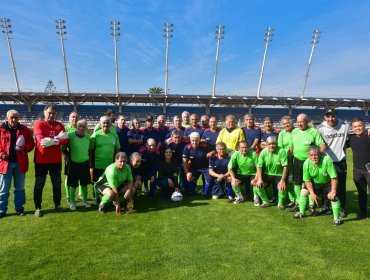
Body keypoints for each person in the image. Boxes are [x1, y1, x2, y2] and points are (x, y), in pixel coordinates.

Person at [33, 104, 69, 217]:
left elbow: (66, 140)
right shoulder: (39, 124)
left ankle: (57, 205)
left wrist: (54, 141)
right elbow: (41, 141)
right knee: (39, 184)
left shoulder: (59, 125)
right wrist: (58, 139)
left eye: (53, 113)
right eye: (49, 113)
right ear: (44, 113)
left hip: (55, 161)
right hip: (41, 161)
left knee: (57, 184)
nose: (52, 115)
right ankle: (38, 207)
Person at [293, 146, 342, 226]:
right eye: (311, 155)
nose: (314, 157)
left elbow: (334, 177)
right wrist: (312, 193)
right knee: (304, 191)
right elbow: (307, 180)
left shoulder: (327, 160)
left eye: (315, 155)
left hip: (328, 182)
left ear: (319, 154)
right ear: (308, 155)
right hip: (315, 183)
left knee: (334, 196)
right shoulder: (306, 164)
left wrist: (333, 191)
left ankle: (336, 219)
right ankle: (302, 212)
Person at [0, 110, 34, 218]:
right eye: (11, 117)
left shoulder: (24, 129)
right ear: (7, 118)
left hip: (20, 163)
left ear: (18, 118)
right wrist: (1, 153)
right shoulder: (1, 129)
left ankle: (19, 208)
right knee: (4, 189)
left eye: (16, 117)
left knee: (19, 188)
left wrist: (24, 148)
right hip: (5, 164)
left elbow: (31, 143)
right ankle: (2, 209)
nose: (14, 119)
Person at [290, 113, 325, 213]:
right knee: (296, 183)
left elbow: (322, 145)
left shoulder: (313, 131)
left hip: (308, 162)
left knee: (308, 182)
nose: (300, 124)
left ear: (307, 121)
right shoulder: (294, 131)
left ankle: (311, 204)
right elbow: (291, 147)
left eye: (302, 121)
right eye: (298, 122)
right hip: (296, 160)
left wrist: (317, 157)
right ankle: (298, 203)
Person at [318, 109, 350, 217]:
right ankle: (326, 206)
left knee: (341, 186)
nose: (331, 119)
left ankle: (341, 208)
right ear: (324, 117)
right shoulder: (320, 129)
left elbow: (357, 130)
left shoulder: (345, 126)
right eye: (328, 116)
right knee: (325, 185)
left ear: (337, 116)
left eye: (333, 116)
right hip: (326, 161)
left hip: (340, 161)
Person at [89, 116, 120, 203]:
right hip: (97, 164)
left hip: (109, 165)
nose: (106, 124)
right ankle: (96, 198)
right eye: (104, 123)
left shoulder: (114, 136)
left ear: (110, 124)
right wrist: (91, 164)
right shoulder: (95, 135)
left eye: (107, 123)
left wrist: (116, 162)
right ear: (100, 124)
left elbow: (117, 149)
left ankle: (106, 198)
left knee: (108, 183)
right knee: (96, 182)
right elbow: (90, 150)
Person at [64, 119, 91, 210]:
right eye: (80, 126)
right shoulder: (70, 136)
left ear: (86, 128)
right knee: (73, 185)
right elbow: (63, 147)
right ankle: (72, 203)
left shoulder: (88, 137)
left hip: (84, 164)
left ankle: (84, 201)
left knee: (84, 184)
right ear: (77, 126)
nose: (81, 128)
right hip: (73, 164)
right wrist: (67, 157)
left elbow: (89, 150)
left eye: (84, 126)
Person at [255, 136, 288, 209]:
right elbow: (259, 166)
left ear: (277, 144)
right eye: (269, 144)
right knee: (258, 185)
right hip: (267, 174)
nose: (271, 146)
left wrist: (283, 180)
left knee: (282, 187)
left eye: (273, 144)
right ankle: (265, 201)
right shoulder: (263, 152)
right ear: (266, 144)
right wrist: (259, 179)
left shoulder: (282, 151)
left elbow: (285, 167)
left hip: (279, 175)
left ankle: (280, 204)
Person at [347, 118, 370, 220]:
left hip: (368, 170)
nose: (357, 128)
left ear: (364, 126)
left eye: (359, 126)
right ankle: (363, 213)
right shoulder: (351, 138)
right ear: (352, 128)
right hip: (357, 170)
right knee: (361, 193)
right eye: (355, 126)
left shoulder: (369, 136)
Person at [278, 116, 296, 207]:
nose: (286, 125)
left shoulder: (296, 131)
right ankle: (292, 199)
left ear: (291, 122)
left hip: (296, 158)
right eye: (284, 124)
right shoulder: (281, 134)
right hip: (286, 159)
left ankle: (298, 199)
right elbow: (280, 147)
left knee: (296, 181)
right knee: (288, 180)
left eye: (287, 123)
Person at [63, 111, 79, 205]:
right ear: (69, 118)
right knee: (69, 177)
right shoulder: (65, 129)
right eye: (72, 117)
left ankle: (80, 194)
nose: (74, 118)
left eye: (76, 117)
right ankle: (68, 196)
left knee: (80, 176)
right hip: (69, 156)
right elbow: (62, 144)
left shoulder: (81, 128)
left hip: (80, 156)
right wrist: (65, 155)